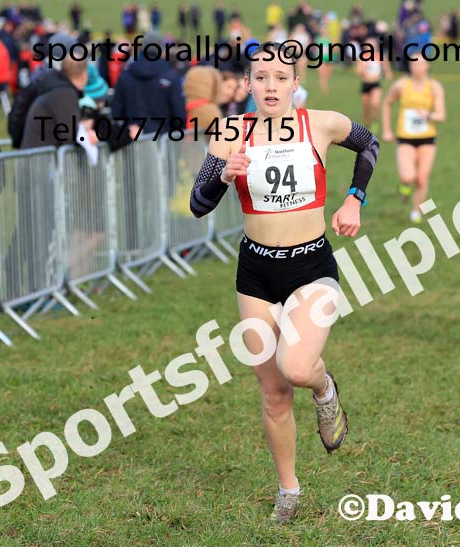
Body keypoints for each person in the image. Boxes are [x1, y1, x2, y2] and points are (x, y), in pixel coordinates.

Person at [189, 42, 379, 524]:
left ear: (296, 84)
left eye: (280, 78)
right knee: (272, 392)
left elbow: (369, 143)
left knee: (296, 366)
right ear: (248, 84)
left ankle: (324, 390)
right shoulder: (231, 132)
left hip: (310, 265)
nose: (271, 86)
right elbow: (197, 202)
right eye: (262, 77)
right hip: (255, 272)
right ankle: (288, 489)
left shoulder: (321, 123)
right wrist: (222, 176)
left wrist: (354, 198)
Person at [381, 56, 445, 223]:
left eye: (420, 64)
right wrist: (387, 130)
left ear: (427, 66)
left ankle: (416, 211)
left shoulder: (434, 86)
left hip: (427, 137)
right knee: (408, 176)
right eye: (413, 64)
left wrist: (428, 115)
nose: (417, 67)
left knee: (422, 178)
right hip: (405, 137)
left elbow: (441, 115)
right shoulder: (401, 85)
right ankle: (405, 186)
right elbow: (387, 104)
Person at [357, 36, 392, 132]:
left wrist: (388, 74)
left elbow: (386, 67)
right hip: (365, 84)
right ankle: (366, 122)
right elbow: (358, 71)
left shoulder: (379, 56)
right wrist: (362, 69)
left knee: (375, 103)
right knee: (366, 106)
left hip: (376, 83)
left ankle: (375, 120)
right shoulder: (362, 57)